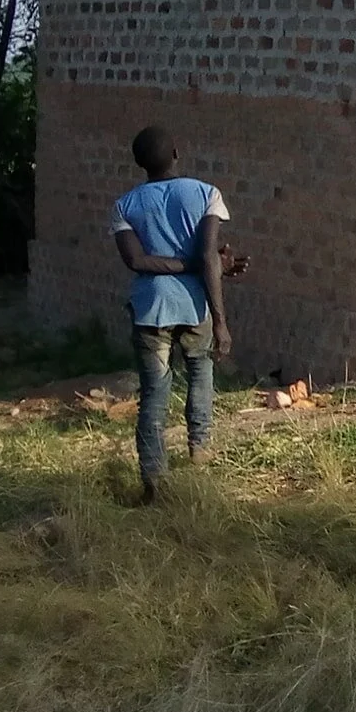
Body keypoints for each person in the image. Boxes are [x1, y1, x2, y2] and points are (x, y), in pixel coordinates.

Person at [112, 125, 232, 502]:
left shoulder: (124, 205)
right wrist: (221, 320)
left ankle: (155, 482)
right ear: (177, 152)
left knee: (154, 394)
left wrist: (201, 264)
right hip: (195, 306)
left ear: (139, 163)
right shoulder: (206, 194)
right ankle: (200, 452)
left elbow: (136, 261)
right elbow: (208, 256)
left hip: (151, 309)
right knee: (200, 373)